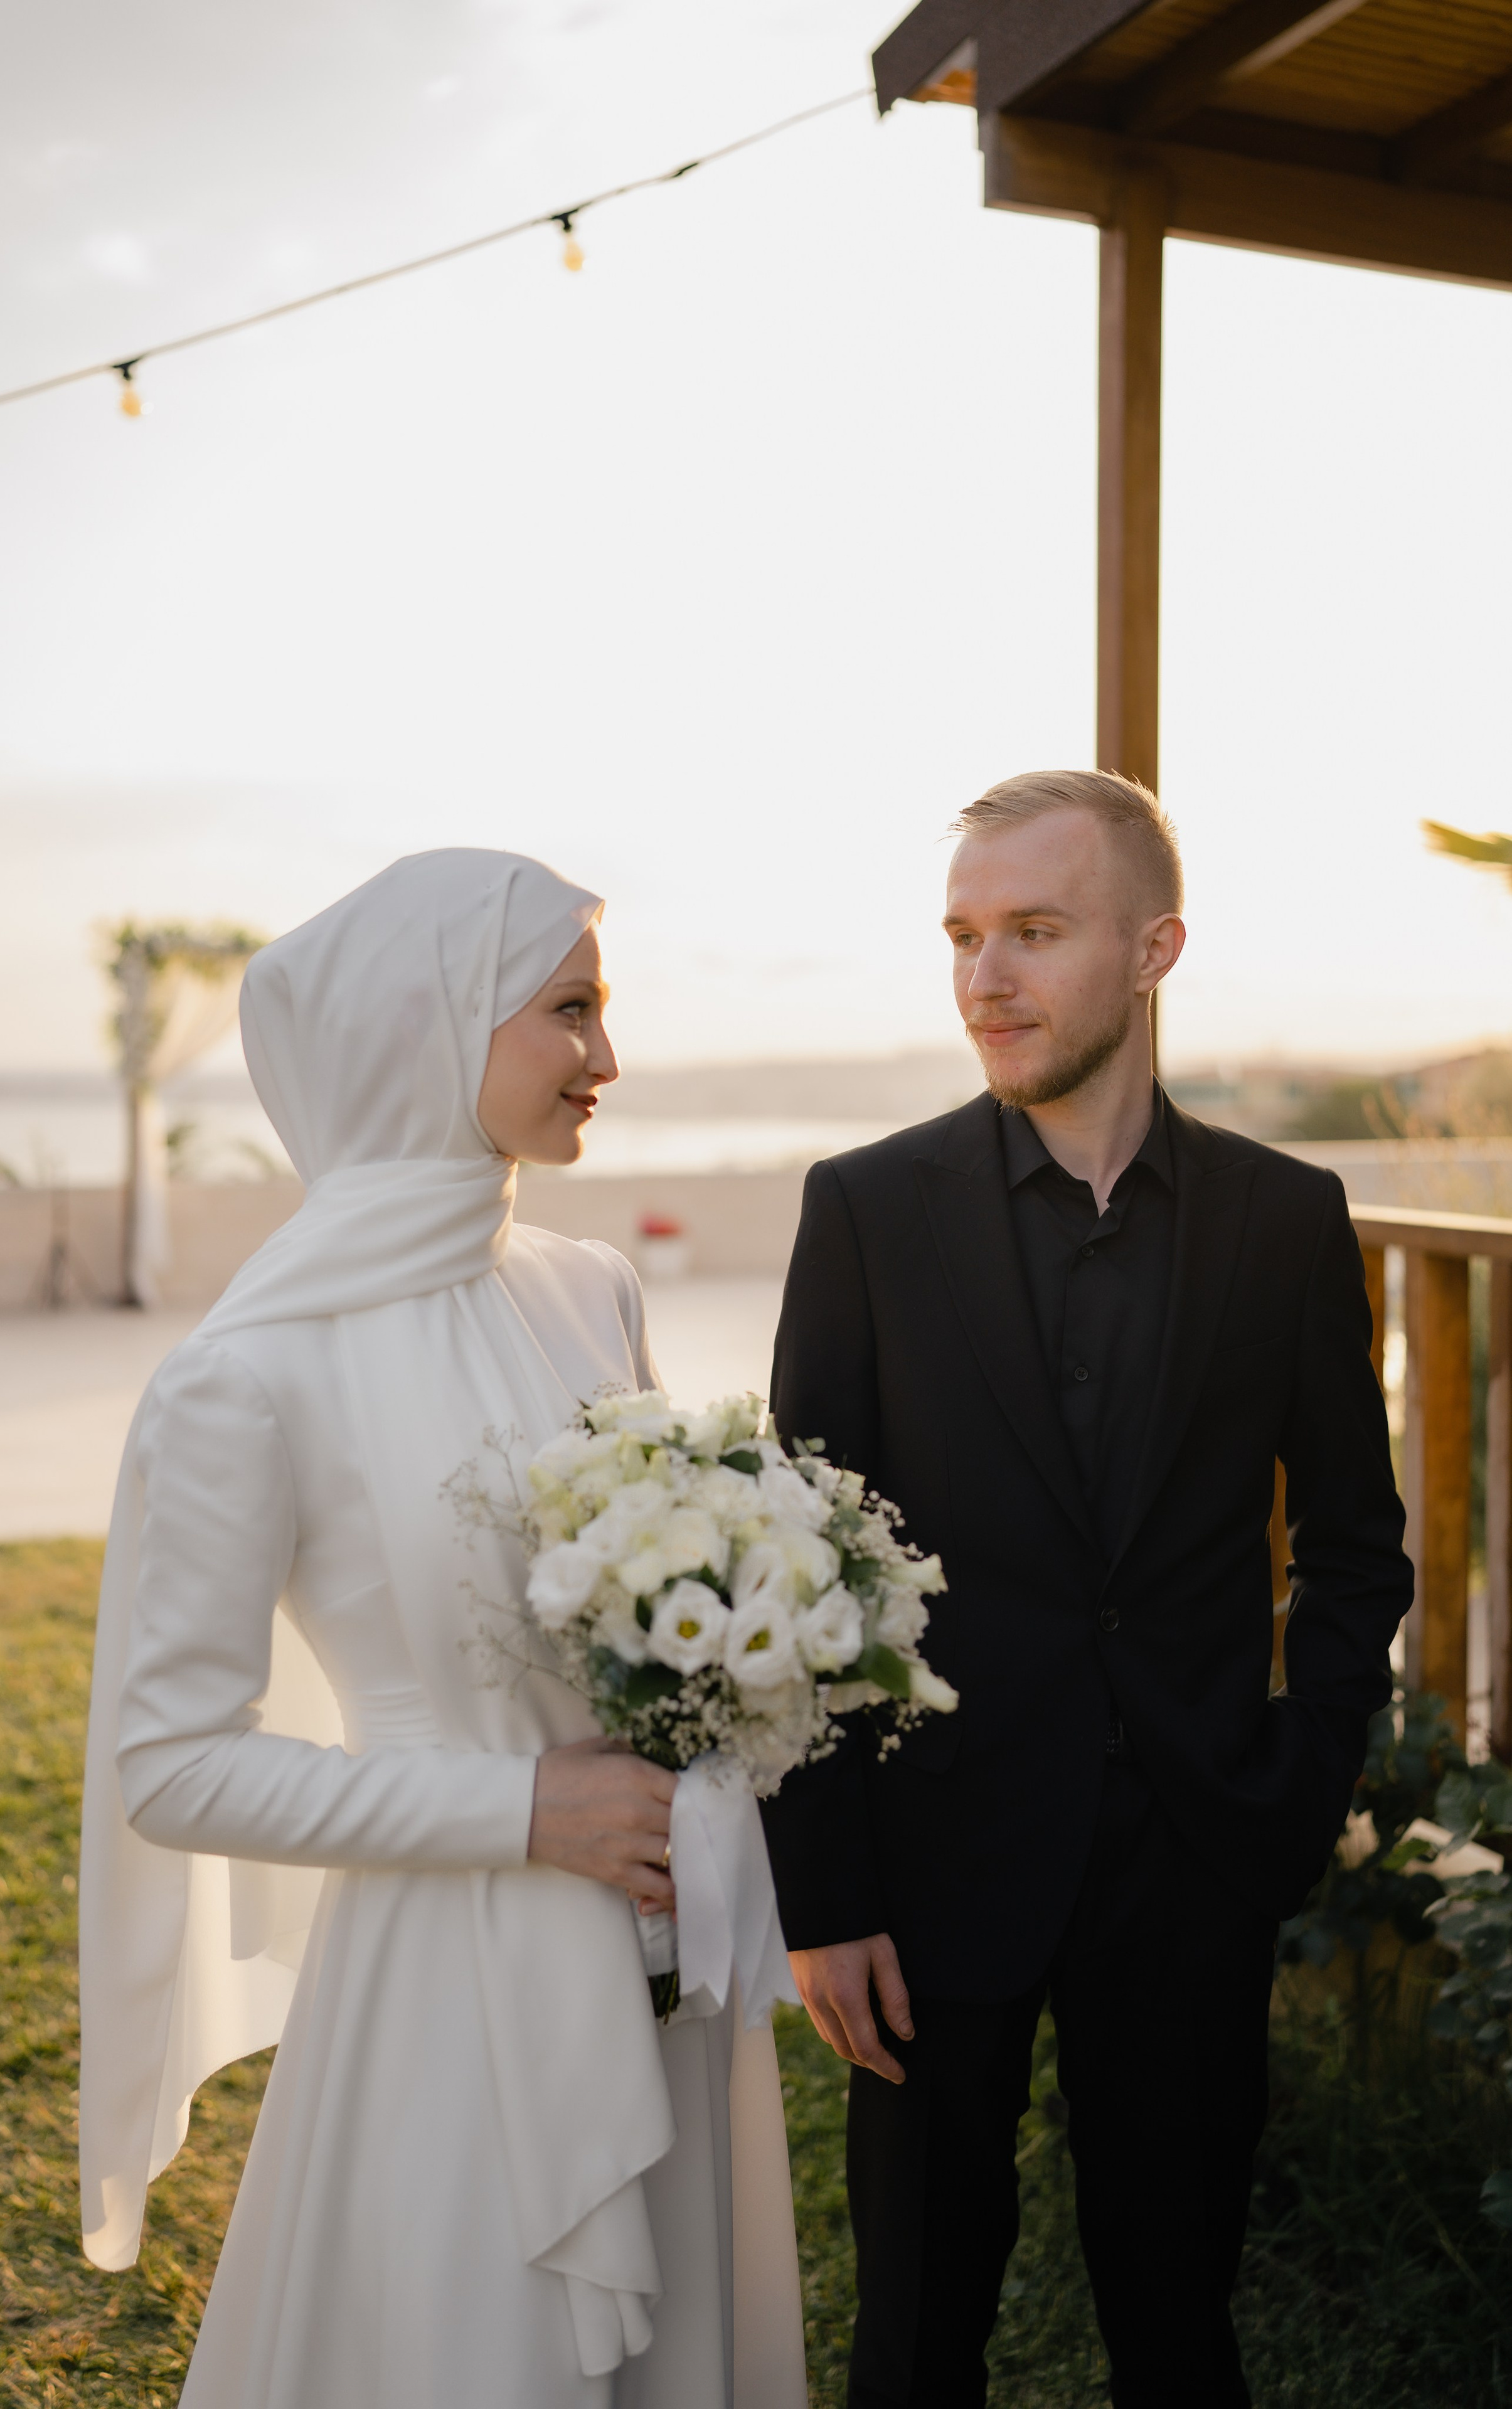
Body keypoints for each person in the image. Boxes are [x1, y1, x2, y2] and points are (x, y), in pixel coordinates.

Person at [78, 849, 807, 2409]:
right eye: (569, 1011)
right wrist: (521, 1806)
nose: (607, 1058)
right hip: (444, 1988)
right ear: (432, 1022)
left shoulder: (591, 1290)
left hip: (656, 1950)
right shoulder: (246, 1375)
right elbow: (172, 1767)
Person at [759, 770, 1411, 2408]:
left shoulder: (1286, 1218)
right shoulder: (864, 1210)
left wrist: (1294, 1781)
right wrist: (824, 1897)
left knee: (1179, 2323)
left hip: (1194, 1852)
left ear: (1154, 949)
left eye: (1035, 933)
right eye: (966, 936)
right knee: (916, 2327)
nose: (987, 977)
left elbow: (1353, 1542)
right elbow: (801, 1568)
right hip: (929, 1864)